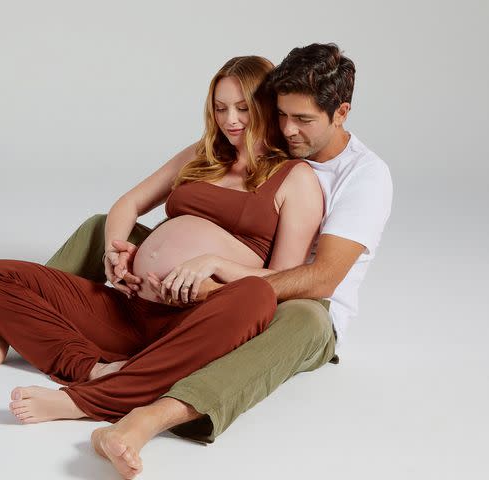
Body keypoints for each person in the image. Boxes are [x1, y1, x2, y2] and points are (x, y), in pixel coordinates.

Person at [0, 55, 325, 469]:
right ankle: (93, 370)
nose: (230, 120)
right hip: (131, 308)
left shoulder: (295, 179)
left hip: (192, 323)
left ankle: (81, 401)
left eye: (242, 108)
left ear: (266, 107)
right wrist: (114, 250)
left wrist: (216, 265)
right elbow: (128, 204)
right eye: (220, 108)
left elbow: (283, 280)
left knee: (254, 297)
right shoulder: (202, 154)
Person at [83, 43, 393, 479]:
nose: (288, 130)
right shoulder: (265, 147)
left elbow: (322, 278)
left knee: (305, 320)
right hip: (221, 274)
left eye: (303, 120)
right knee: (101, 227)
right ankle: (8, 327)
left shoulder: (364, 175)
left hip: (299, 301)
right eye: (281, 114)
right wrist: (124, 249)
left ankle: (153, 416)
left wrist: (223, 276)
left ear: (341, 113)